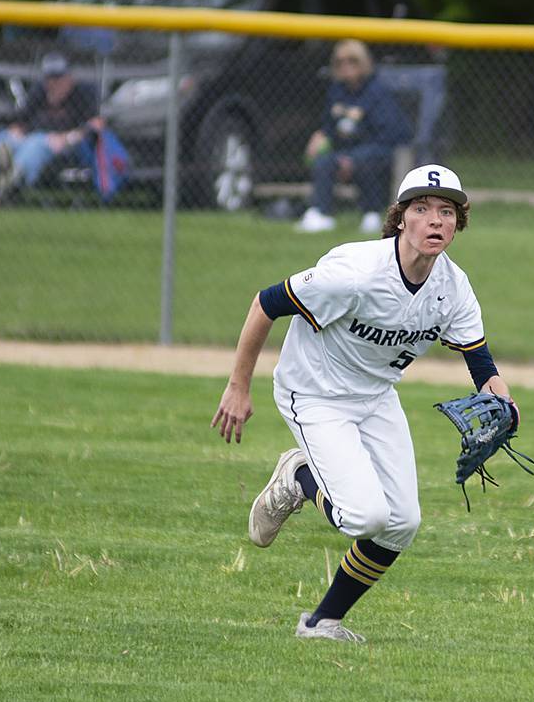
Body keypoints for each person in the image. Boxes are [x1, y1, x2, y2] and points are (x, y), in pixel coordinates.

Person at [211, 163, 513, 643]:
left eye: (446, 211)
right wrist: (238, 385)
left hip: (374, 396)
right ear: (400, 219)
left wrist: (504, 405)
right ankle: (297, 477)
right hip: (314, 392)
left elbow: (482, 366)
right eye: (421, 209)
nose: (435, 220)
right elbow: (265, 303)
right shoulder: (354, 274)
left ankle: (321, 623)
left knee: (402, 524)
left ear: (458, 223)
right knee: (364, 516)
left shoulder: (452, 288)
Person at [296, 39, 412, 236]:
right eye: (340, 62)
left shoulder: (377, 91)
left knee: (362, 161)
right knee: (324, 161)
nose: (345, 66)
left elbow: (391, 133)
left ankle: (371, 213)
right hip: (345, 150)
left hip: (378, 149)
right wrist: (321, 135)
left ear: (363, 63)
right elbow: (331, 126)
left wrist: (352, 156)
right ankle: (320, 213)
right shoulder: (337, 91)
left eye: (352, 61)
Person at [0, 52, 102, 212]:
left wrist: (67, 138)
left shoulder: (84, 93)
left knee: (37, 142)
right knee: (9, 136)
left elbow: (96, 125)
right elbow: (22, 119)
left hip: (67, 145)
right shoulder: (40, 91)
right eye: (49, 78)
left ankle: (11, 178)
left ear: (69, 77)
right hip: (33, 139)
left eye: (58, 78)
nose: (53, 83)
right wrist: (17, 130)